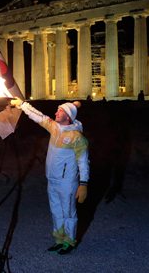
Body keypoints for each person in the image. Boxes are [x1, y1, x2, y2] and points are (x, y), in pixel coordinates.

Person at [11, 97, 90, 256]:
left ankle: (70, 241)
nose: (55, 112)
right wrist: (22, 105)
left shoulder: (77, 138)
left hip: (67, 182)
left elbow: (83, 162)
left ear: (67, 116)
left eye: (59, 111)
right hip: (52, 179)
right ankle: (59, 240)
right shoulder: (54, 127)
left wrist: (83, 184)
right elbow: (38, 116)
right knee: (56, 211)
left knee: (68, 213)